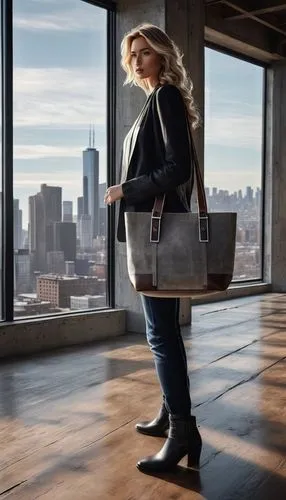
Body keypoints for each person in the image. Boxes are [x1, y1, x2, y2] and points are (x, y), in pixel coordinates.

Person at [104, 23, 202, 473]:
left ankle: (183, 430)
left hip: (160, 232)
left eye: (146, 52)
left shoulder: (163, 96)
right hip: (155, 231)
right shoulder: (155, 100)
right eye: (134, 54)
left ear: (163, 55)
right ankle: (171, 415)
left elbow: (177, 168)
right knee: (162, 331)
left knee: (160, 334)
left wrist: (126, 189)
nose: (138, 60)